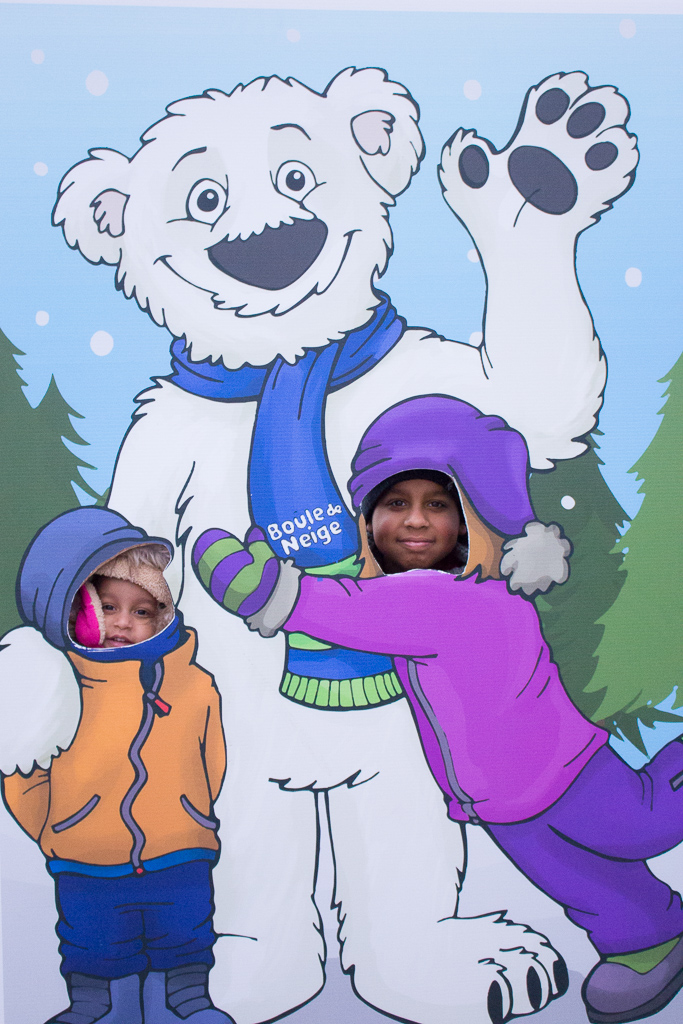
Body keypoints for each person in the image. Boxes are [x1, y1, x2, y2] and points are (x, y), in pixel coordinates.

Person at [191, 395, 683, 1024]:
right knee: (577, 882)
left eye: (438, 504)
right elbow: (356, 601)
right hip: (503, 803)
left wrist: (262, 585)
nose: (416, 521)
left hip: (567, 774)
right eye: (395, 503)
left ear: (475, 514)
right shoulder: (412, 594)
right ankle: (647, 939)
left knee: (646, 823)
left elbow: (340, 611)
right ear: (367, 519)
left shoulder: (459, 600)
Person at [2, 507, 233, 1024]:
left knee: (188, 930)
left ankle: (189, 997)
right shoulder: (56, 686)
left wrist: (188, 812)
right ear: (72, 604)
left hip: (180, 850)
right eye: (107, 606)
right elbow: (24, 773)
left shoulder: (192, 683)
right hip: (85, 856)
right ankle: (91, 1002)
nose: (124, 622)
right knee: (91, 938)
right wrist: (57, 829)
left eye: (143, 610)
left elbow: (210, 760)